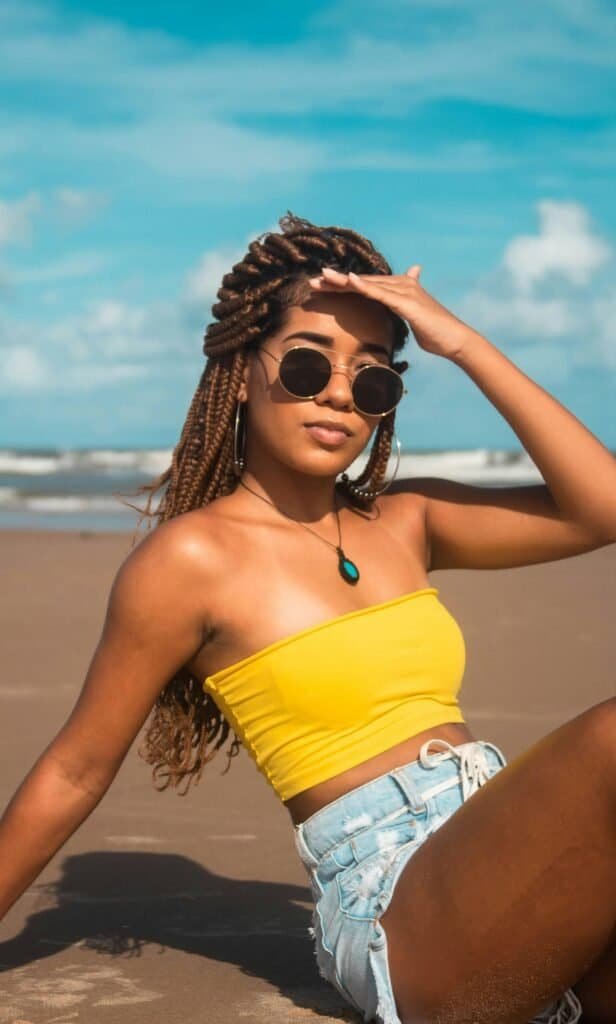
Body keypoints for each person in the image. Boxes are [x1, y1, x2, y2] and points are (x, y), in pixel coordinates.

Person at [0, 212, 615, 1024]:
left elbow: (601, 507)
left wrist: (461, 342)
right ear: (242, 368)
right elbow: (76, 770)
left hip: (513, 861)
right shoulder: (191, 561)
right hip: (398, 905)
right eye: (305, 364)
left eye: (372, 379)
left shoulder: (406, 522)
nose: (337, 392)